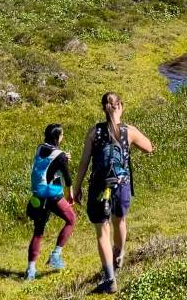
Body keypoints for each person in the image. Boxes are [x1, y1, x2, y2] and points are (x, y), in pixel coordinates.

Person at [73, 92, 154, 294]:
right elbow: (149, 148)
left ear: (103, 108)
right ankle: (119, 255)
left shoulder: (94, 132)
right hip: (122, 185)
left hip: (99, 187)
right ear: (121, 106)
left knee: (103, 230)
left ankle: (109, 278)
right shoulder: (129, 131)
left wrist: (76, 188)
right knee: (121, 221)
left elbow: (84, 163)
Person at [25, 123, 76, 281]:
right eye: (61, 135)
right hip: (52, 195)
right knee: (71, 219)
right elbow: (67, 179)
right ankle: (55, 255)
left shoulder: (40, 148)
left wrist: (63, 158)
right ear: (57, 137)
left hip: (38, 195)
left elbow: (51, 161)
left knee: (38, 232)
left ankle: (31, 270)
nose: (63, 137)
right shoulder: (59, 155)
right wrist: (71, 196)